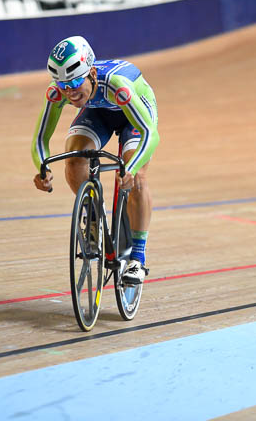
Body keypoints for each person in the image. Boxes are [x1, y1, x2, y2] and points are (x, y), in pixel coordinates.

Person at [31, 36, 160, 285]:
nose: (70, 91)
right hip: (98, 112)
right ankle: (92, 218)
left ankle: (137, 257)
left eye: (76, 82)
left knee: (136, 177)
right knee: (74, 158)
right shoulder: (58, 92)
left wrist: (131, 169)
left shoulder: (117, 86)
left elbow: (150, 134)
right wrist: (42, 167)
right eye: (63, 85)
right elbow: (40, 138)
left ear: (91, 73)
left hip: (134, 116)